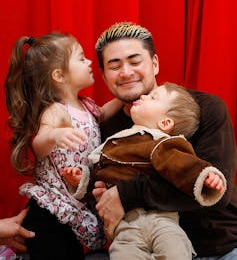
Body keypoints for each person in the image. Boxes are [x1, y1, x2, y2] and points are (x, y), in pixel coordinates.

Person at [92, 22, 237, 259]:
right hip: (138, 245)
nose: (126, 72)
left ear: (155, 64)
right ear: (104, 75)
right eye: (114, 65)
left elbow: (214, 190)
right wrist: (101, 191)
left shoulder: (204, 108)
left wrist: (126, 193)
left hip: (216, 245)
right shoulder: (109, 128)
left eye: (135, 61)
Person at [62, 82, 226, 259]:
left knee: (175, 251)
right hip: (125, 227)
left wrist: (206, 175)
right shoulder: (113, 142)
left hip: (161, 220)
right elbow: (101, 174)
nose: (143, 96)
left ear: (165, 123)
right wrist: (82, 180)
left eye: (153, 97)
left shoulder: (161, 143)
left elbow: (183, 165)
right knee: (122, 254)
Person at [4, 32, 122, 260]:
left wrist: (125, 97)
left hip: (75, 205)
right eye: (81, 58)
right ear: (59, 75)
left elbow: (103, 114)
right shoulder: (55, 110)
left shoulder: (86, 105)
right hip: (50, 209)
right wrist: (55, 135)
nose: (89, 62)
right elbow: (39, 143)